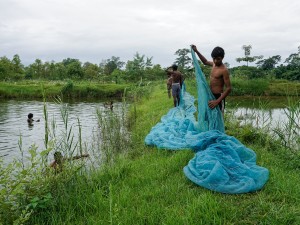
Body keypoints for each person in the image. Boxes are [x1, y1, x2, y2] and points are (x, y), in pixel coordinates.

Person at [191, 45, 232, 114]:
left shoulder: (224, 70)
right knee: (210, 116)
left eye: (218, 59)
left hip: (219, 97)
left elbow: (229, 88)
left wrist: (217, 101)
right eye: (214, 58)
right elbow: (205, 62)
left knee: (219, 117)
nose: (215, 61)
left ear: (222, 58)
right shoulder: (213, 64)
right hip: (210, 95)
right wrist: (196, 51)